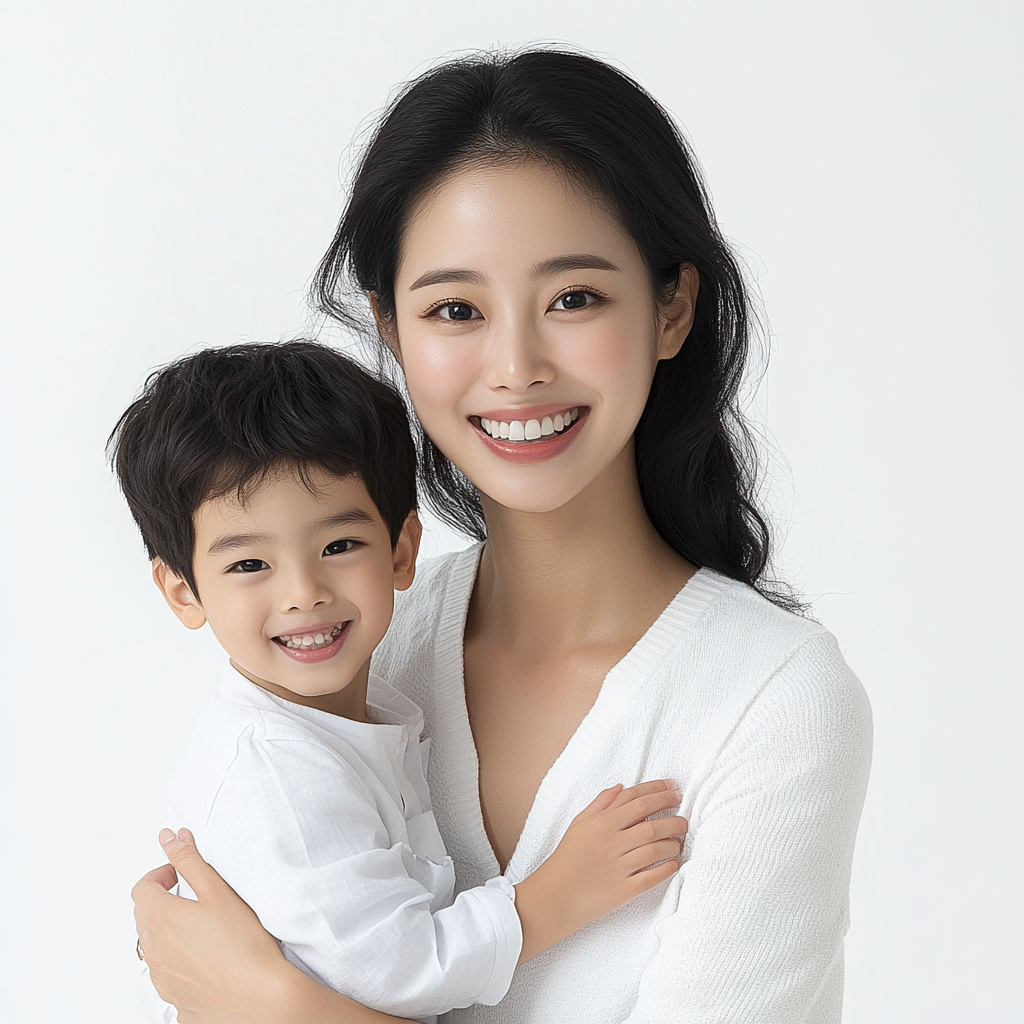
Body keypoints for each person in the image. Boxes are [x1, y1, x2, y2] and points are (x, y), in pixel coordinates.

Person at [132, 49, 873, 1024]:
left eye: (573, 298)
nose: (516, 365)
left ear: (672, 307)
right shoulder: (355, 643)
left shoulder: (770, 698)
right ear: (390, 329)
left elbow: (255, 992)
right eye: (454, 310)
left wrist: (284, 1007)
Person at [111, 340, 687, 1023]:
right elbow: (399, 971)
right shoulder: (276, 770)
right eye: (248, 566)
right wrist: (556, 894)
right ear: (183, 593)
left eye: (338, 547)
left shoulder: (369, 707)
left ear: (402, 551)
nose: (303, 593)